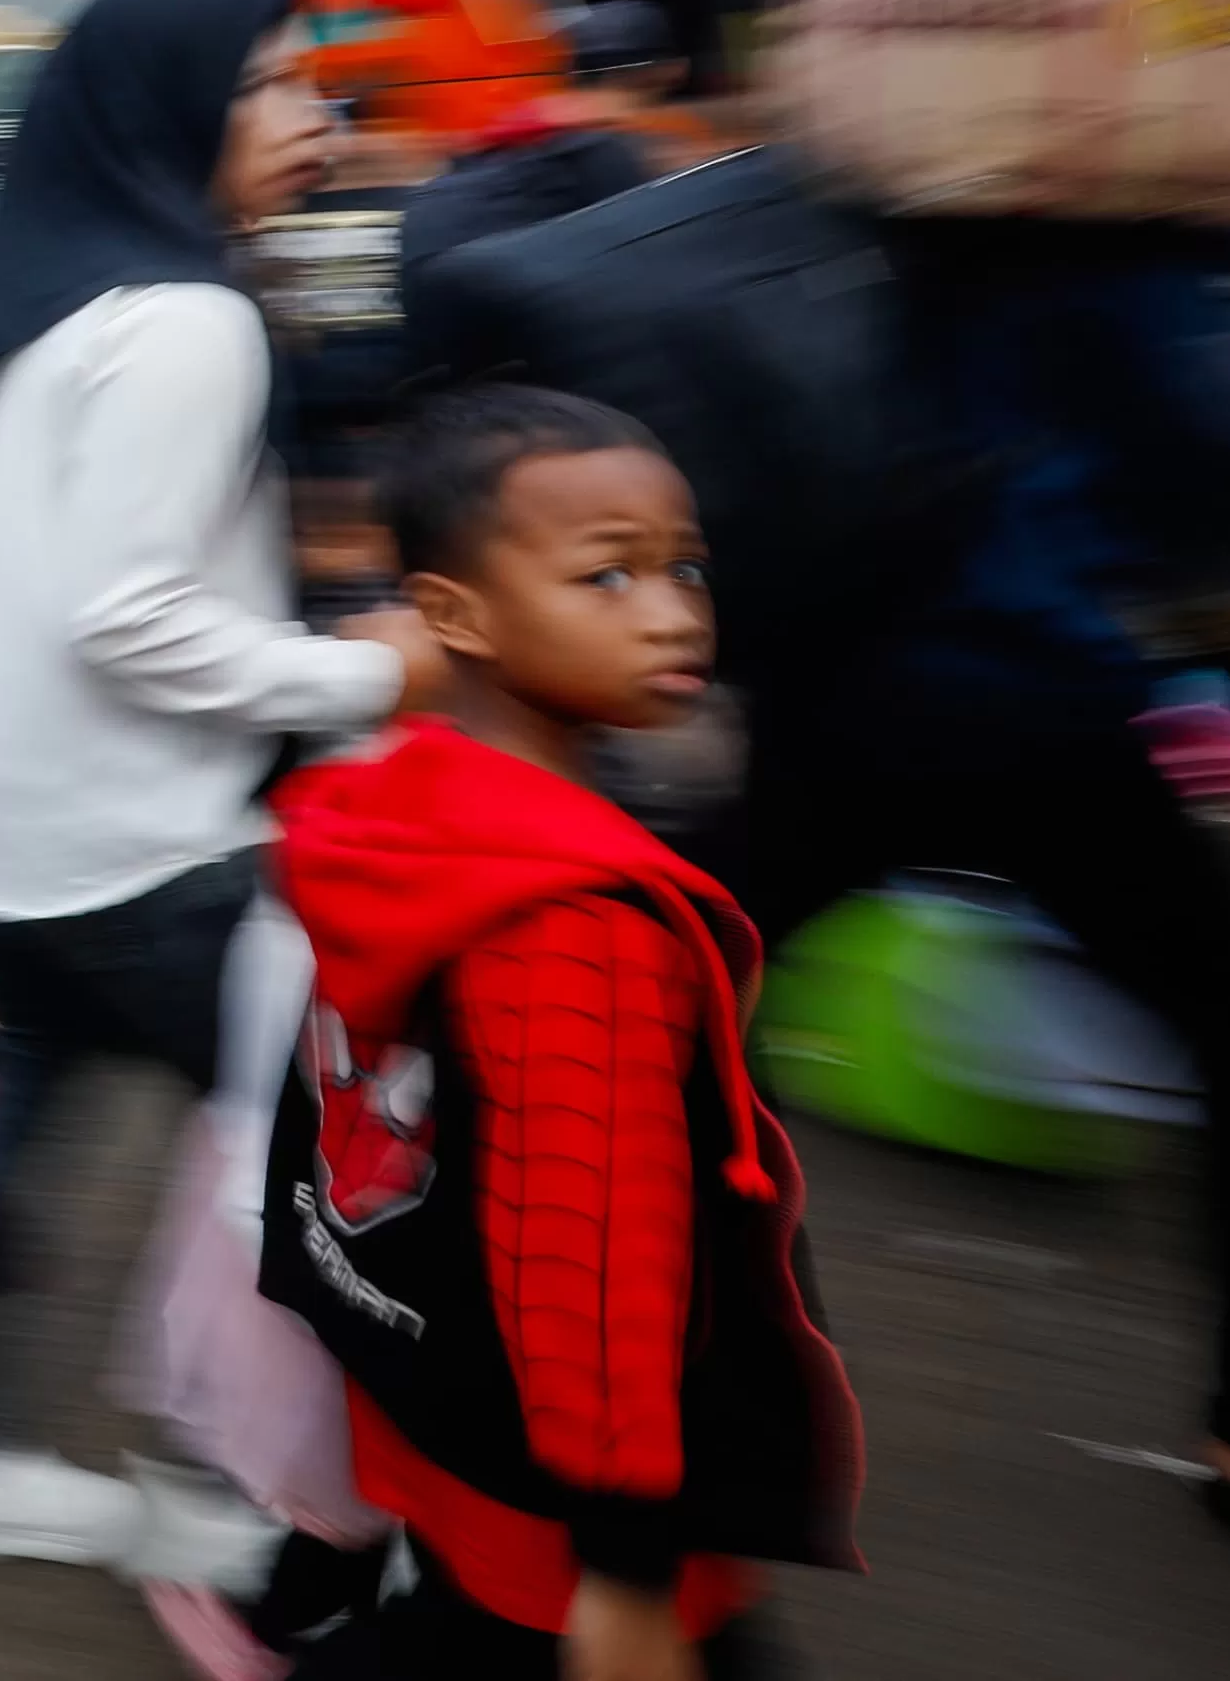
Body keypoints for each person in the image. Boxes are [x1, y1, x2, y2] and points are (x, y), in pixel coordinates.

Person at [0, 0, 423, 1570]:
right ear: (173, 112)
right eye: (276, 85)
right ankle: (275, 1499)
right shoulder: (191, 322)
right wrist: (375, 670)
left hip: (2, 829)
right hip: (141, 841)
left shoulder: (48, 297)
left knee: (27, 1099)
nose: (318, 114)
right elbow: (130, 615)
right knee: (311, 1156)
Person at [267, 386, 859, 1677]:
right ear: (453, 614)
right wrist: (631, 1569)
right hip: (579, 1494)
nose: (672, 610)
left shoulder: (400, 806)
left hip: (437, 1410)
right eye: (607, 575)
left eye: (682, 565)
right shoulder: (581, 925)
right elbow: (594, 1277)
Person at [742, 220, 1230, 1550]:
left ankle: (557, 1315)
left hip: (837, 697)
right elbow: (1205, 463)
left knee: (665, 980)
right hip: (1037, 708)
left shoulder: (878, 220)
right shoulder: (1139, 251)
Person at [393, 3, 684, 367]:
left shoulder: (518, 128)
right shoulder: (606, 146)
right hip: (483, 311)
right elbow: (652, 268)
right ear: (667, 71)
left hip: (427, 300)